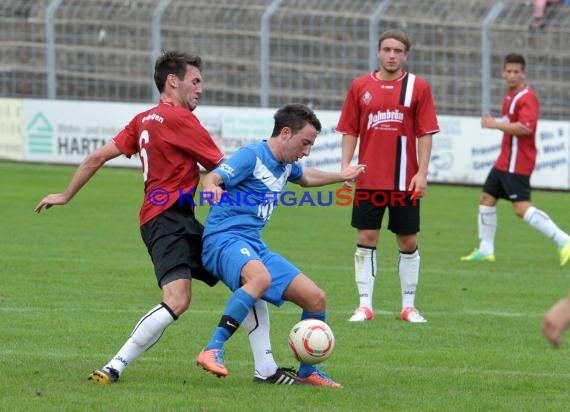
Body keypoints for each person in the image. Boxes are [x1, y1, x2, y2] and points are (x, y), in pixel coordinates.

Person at [34, 51, 300, 386]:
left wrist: (65, 194)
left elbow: (97, 156)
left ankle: (266, 370)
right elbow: (224, 168)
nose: (200, 88)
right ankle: (113, 367)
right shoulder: (182, 120)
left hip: (174, 219)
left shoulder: (143, 119)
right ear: (172, 81)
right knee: (178, 299)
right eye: (196, 81)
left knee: (250, 280)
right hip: (166, 220)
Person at [194, 103, 366, 388]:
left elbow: (307, 177)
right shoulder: (253, 155)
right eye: (305, 143)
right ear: (286, 133)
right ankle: (213, 348)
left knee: (316, 299)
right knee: (259, 278)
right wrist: (211, 188)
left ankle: (307, 371)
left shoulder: (286, 165)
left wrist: (343, 175)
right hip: (223, 240)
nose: (307, 151)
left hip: (253, 245)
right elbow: (213, 176)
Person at [336, 29, 439, 323]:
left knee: (407, 241)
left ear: (405, 55)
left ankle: (409, 306)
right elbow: (350, 129)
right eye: (387, 49)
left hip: (405, 181)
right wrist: (345, 165)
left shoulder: (417, 88)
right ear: (378, 52)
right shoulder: (360, 86)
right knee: (366, 237)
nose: (392, 55)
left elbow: (425, 132)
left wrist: (422, 172)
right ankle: (364, 305)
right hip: (369, 178)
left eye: (398, 50)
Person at [460, 53, 570, 266]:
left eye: (516, 72)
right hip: (504, 161)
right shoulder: (510, 95)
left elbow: (525, 128)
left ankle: (564, 239)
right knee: (486, 199)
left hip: (517, 163)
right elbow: (512, 122)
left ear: (523, 73)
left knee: (521, 208)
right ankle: (485, 249)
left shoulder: (527, 97)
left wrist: (494, 125)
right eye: (508, 71)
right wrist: (498, 122)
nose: (511, 76)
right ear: (503, 73)